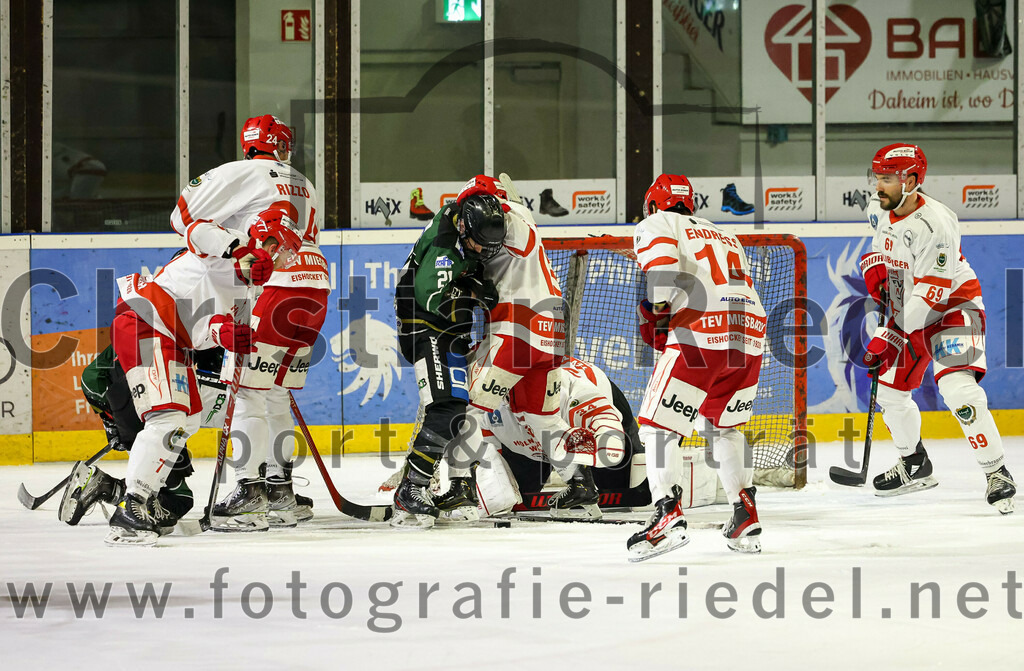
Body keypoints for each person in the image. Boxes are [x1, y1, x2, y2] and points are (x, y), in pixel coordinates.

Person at [103, 115, 303, 546]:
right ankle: (131, 507)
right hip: (145, 318)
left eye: (285, 252)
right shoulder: (229, 247)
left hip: (169, 330)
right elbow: (195, 234)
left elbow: (199, 324)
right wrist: (242, 251)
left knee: (188, 417)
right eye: (276, 246)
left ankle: (141, 498)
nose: (281, 257)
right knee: (171, 416)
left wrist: (223, 332)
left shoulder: (251, 279)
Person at [860, 143, 1015, 513]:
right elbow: (887, 257)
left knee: (957, 387)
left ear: (911, 180)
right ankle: (914, 464)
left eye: (887, 179)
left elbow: (932, 297)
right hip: (910, 304)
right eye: (877, 177)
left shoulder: (937, 224)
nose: (878, 186)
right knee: (889, 390)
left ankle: (997, 471)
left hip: (953, 307)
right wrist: (877, 272)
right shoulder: (877, 209)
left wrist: (891, 333)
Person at [626, 174, 767, 561]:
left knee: (658, 425)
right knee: (724, 427)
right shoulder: (724, 234)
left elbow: (664, 274)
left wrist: (657, 317)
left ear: (653, 205)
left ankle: (666, 515)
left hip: (701, 333)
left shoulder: (655, 223)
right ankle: (744, 513)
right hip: (751, 333)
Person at [209, 126, 329, 531]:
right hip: (315, 284)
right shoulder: (304, 181)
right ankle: (281, 492)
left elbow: (202, 222)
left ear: (248, 144)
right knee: (276, 397)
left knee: (246, 395)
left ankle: (250, 492)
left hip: (270, 284)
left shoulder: (242, 173)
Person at [390, 191, 504, 528]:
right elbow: (432, 297)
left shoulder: (464, 229)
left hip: (447, 332)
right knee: (446, 409)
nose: (484, 251)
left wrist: (472, 279)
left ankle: (458, 486)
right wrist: (472, 289)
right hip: (427, 327)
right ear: (464, 228)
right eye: (479, 244)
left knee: (459, 410)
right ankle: (411, 489)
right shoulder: (444, 247)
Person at [457, 356, 649, 521]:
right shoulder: (480, 404)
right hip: (524, 439)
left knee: (620, 496)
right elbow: (488, 456)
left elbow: (611, 445)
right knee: (515, 499)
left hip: (585, 412)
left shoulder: (571, 391)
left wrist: (579, 462)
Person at [57, 342, 214, 530]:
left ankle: (107, 488)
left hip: (146, 411)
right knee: (179, 499)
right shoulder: (149, 331)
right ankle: (112, 494)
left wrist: (111, 420)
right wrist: (111, 419)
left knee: (173, 496)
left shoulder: (150, 327)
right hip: (146, 411)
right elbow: (90, 378)